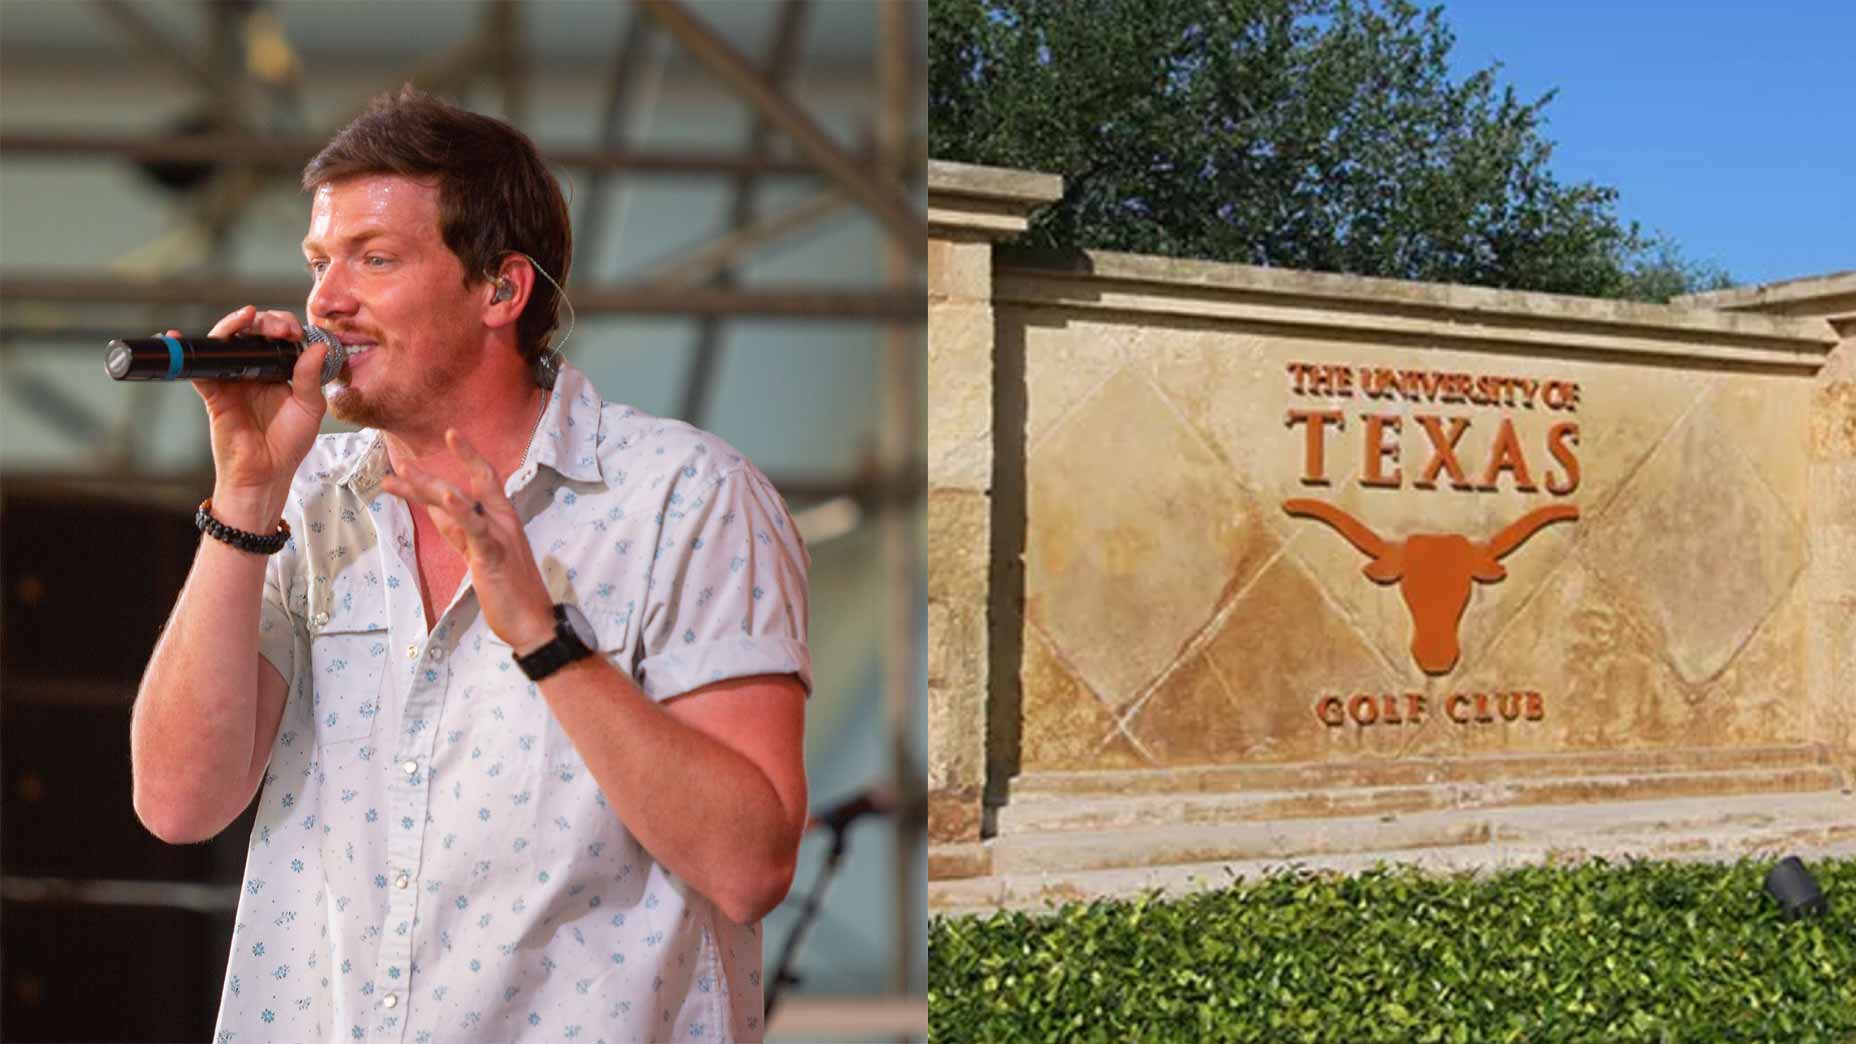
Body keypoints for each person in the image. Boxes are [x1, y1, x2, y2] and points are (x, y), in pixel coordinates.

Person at [129, 86, 810, 1043]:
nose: (325, 301)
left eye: (374, 259)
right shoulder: (304, 500)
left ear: (501, 290)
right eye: (320, 262)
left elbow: (750, 868)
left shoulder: (684, 498)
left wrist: (544, 638)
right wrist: (245, 496)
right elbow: (177, 805)